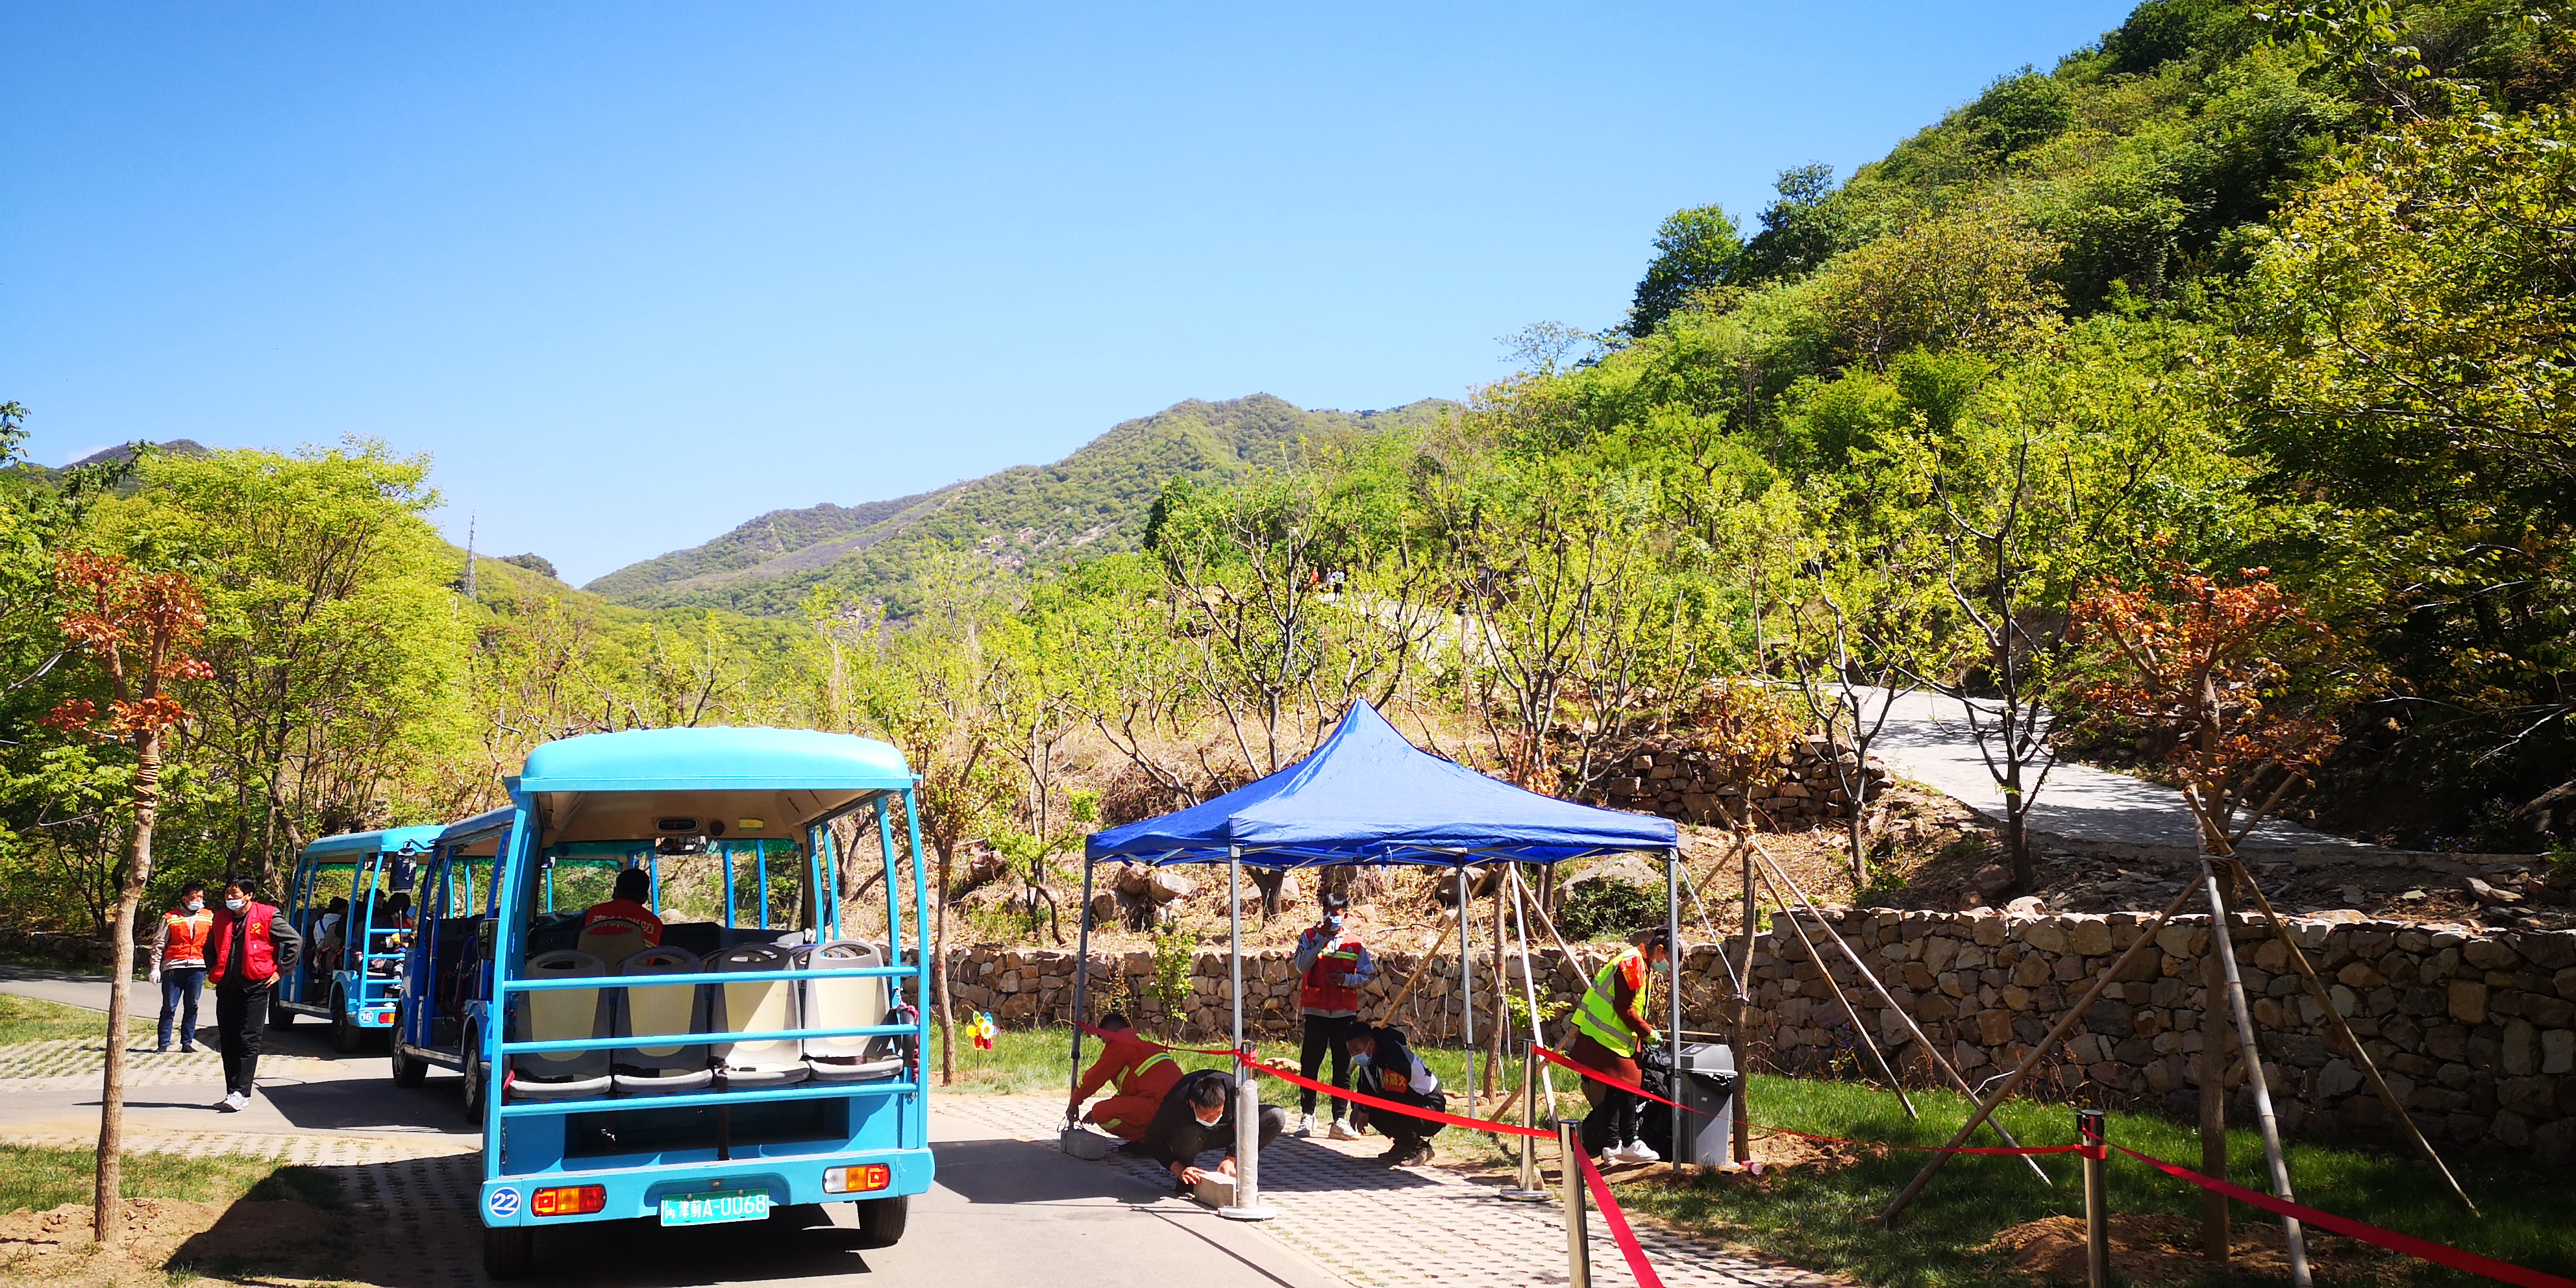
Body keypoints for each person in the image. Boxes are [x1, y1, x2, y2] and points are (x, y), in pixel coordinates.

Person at [1566, 926, 1670, 1165]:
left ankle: (1611, 1145)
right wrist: (1648, 1032)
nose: (1667, 968)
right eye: (1669, 961)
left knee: (1617, 1089)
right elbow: (1625, 1008)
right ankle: (1630, 1142)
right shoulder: (1633, 964)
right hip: (1608, 1038)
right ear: (1660, 950)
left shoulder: (1639, 962)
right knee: (1631, 1084)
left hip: (1613, 1037)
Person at [208, 880, 301, 1111]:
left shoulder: (268, 915)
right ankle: (232, 1090)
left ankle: (242, 1092)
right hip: (228, 986)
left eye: (235, 893)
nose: (230, 897)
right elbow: (210, 947)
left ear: (249, 895)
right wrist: (213, 969)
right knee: (228, 1039)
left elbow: (294, 941)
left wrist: (281, 971)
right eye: (227, 893)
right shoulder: (220, 918)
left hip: (256, 985)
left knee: (249, 1038)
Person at [1289, 890, 1375, 1139]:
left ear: (1345, 915)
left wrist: (1348, 979)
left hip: (1343, 1013)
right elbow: (1302, 966)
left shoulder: (1356, 943)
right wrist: (1320, 939)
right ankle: (1308, 1116)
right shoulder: (1308, 937)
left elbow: (1369, 975)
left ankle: (1338, 1120)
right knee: (1310, 1064)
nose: (1331, 919)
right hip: (1316, 1011)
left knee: (1342, 1067)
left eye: (1335, 916)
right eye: (1327, 914)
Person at [1137, 1067, 1287, 1193]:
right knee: (1189, 1134)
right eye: (1205, 1114)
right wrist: (1179, 1169)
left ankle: (1234, 1169)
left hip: (1224, 1132)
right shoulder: (1176, 1104)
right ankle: (1189, 1175)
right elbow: (1152, 1139)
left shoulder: (1236, 1091)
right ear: (1192, 1104)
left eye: (1216, 1113)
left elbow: (1251, 1120)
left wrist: (1232, 1157)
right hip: (1190, 1136)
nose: (1210, 1118)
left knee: (1275, 1116)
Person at [1341, 1021, 1444, 1167]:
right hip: (1408, 1103)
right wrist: (1358, 1108)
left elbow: (1393, 1098)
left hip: (1430, 1108)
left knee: (1381, 1107)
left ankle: (1420, 1147)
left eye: (1357, 1050)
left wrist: (1366, 1109)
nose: (1355, 1055)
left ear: (1370, 1044)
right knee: (1368, 1108)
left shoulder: (1393, 1055)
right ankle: (1404, 1145)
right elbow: (1364, 1089)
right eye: (1351, 1052)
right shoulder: (1370, 1059)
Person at [1068, 1013, 1183, 1141]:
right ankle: (1156, 1139)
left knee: (1100, 1112)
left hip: (1159, 1106)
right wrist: (1113, 1106)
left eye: (1105, 1041)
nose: (1106, 1046)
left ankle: (1152, 1142)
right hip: (1176, 1106)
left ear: (1111, 1032)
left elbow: (1095, 1076)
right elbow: (1133, 1091)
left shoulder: (1120, 1041)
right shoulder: (1137, 1040)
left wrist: (1075, 1101)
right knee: (1105, 1110)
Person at [149, 881, 212, 1054]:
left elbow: (214, 943)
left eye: (201, 897)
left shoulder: (208, 916)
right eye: (194, 897)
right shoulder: (170, 918)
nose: (198, 900)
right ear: (185, 899)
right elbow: (159, 943)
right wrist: (155, 968)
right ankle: (163, 1043)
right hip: (174, 967)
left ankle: (187, 1042)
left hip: (198, 967)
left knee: (192, 1005)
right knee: (169, 1007)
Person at [584, 866, 663, 945]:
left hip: (595, 958)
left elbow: (574, 950)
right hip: (639, 959)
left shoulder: (592, 914)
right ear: (645, 898)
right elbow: (664, 955)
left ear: (615, 892)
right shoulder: (656, 925)